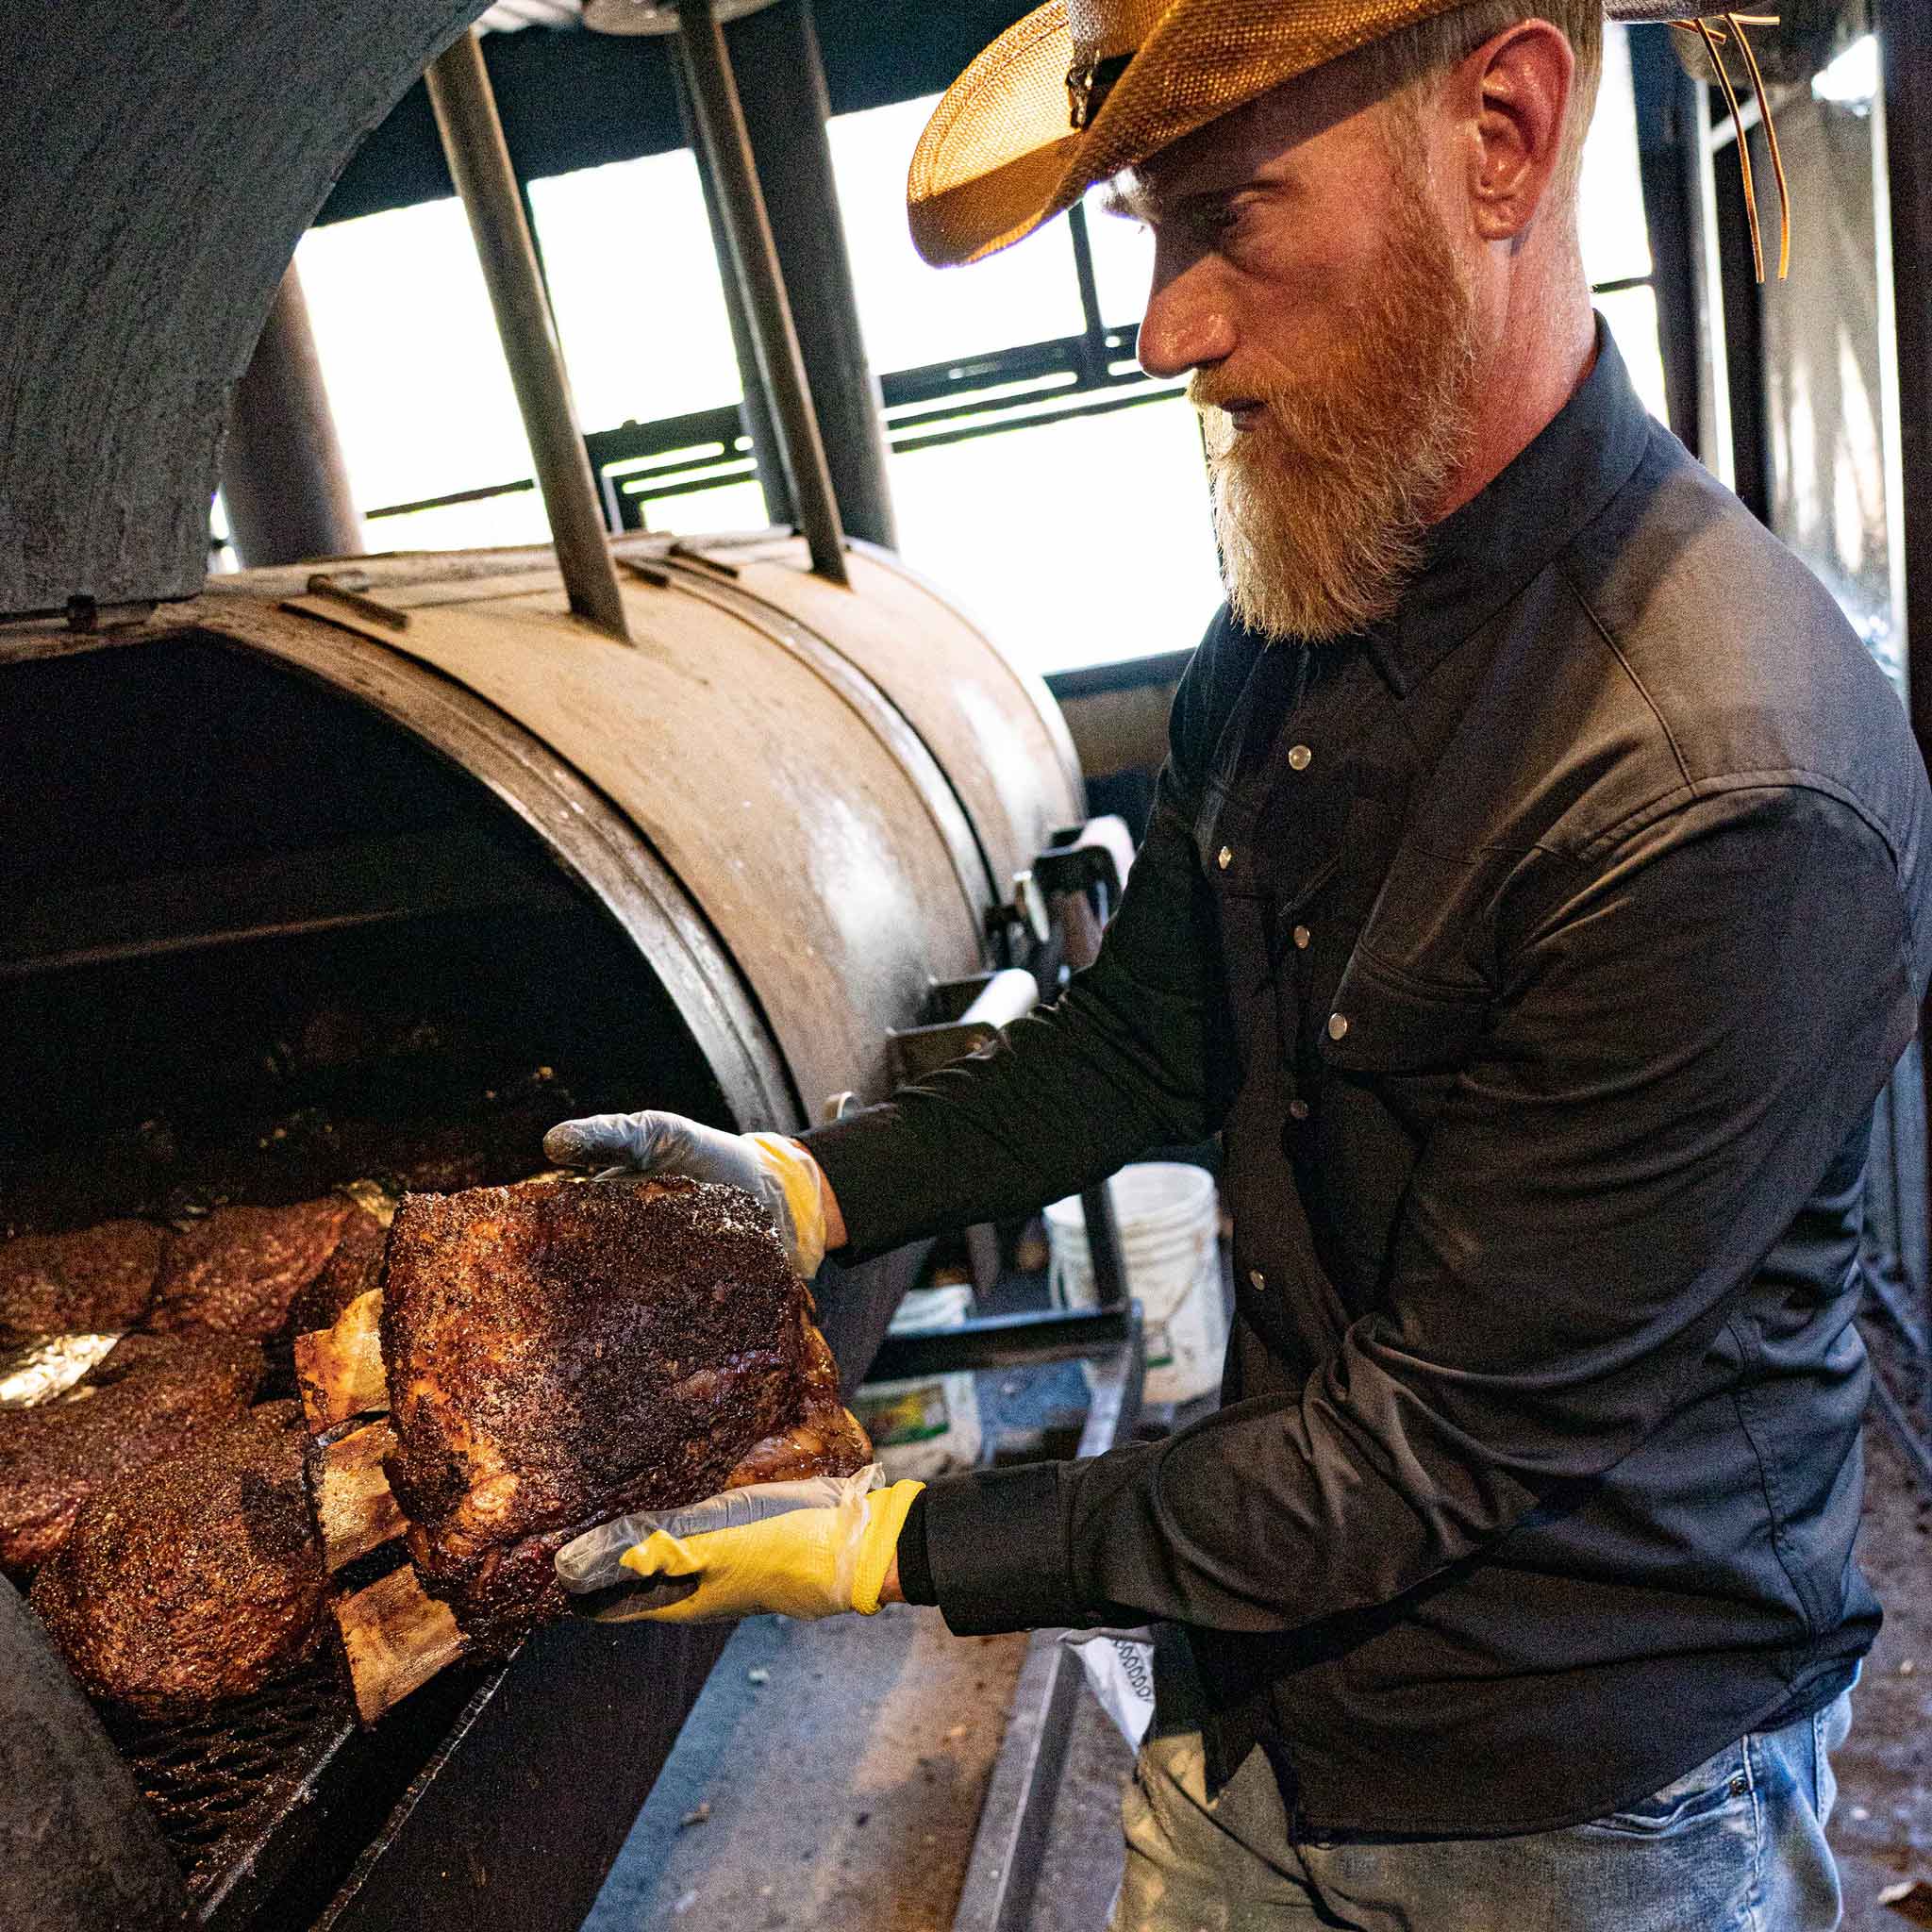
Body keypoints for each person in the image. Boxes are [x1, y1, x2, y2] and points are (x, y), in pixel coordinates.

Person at [546, 2, 1932, 1924]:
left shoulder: (1721, 785)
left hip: (1580, 1804)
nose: (1169, 332)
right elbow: (1143, 1040)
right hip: (1251, 1698)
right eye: (1147, 236)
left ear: (1503, 134)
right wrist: (805, 1189)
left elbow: (1422, 1454)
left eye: (1232, 217)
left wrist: (895, 1541)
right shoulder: (1304, 604)